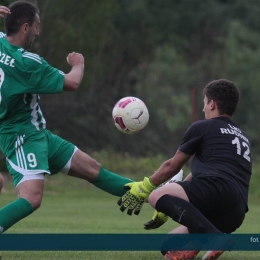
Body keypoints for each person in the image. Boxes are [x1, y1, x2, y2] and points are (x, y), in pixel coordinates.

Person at [0, 1, 136, 233]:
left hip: (39, 134)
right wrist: (78, 63)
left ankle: (157, 194)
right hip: (20, 136)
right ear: (24, 28)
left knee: (93, 169)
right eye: (36, 26)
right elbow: (72, 82)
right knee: (31, 197)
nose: (38, 31)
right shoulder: (27, 62)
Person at [118, 79, 252, 260]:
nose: (203, 108)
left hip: (215, 191)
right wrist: (170, 202)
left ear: (212, 104)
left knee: (155, 195)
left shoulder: (203, 126)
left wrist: (145, 187)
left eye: (204, 102)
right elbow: (198, 175)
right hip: (236, 211)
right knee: (169, 245)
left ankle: (214, 237)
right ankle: (203, 240)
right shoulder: (242, 136)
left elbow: (172, 165)